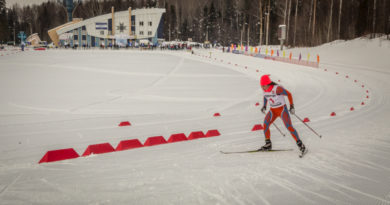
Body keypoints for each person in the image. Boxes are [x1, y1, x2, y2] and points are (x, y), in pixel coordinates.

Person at [259, 74, 307, 154]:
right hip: (273, 111)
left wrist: (291, 106)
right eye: (261, 86)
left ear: (268, 84)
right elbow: (265, 96)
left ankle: (301, 145)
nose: (262, 88)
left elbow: (289, 94)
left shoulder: (277, 89)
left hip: (282, 110)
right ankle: (268, 144)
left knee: (289, 126)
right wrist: (264, 106)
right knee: (265, 124)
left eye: (263, 86)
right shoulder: (264, 90)